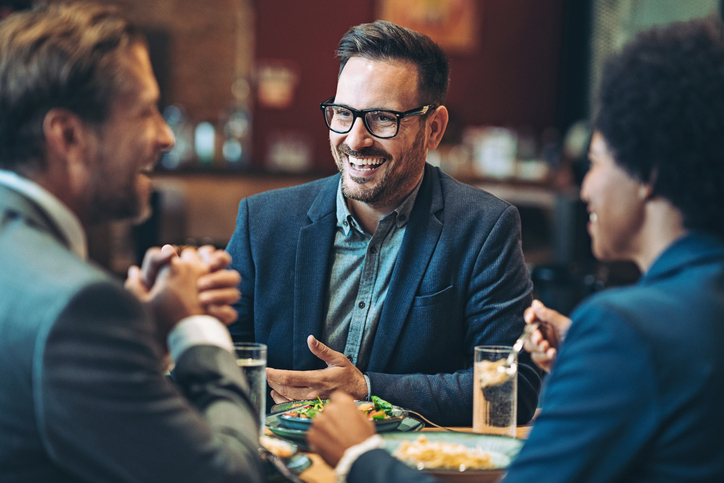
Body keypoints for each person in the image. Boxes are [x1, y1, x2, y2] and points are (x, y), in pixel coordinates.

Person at [307, 16, 724, 483]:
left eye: (596, 163)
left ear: (647, 176)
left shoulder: (624, 329)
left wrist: (360, 457)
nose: (585, 188)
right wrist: (585, 363)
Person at [225, 20, 541, 426]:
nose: (355, 139)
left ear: (434, 129)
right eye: (343, 114)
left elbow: (510, 391)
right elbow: (215, 363)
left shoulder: (484, 229)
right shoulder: (262, 222)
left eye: (382, 118)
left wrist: (368, 389)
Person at [0, 3, 264, 481]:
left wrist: (141, 329)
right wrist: (195, 328)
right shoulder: (79, 305)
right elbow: (229, 476)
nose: (165, 138)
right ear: (69, 135)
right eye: (145, 111)